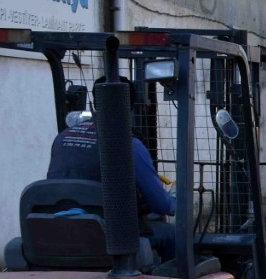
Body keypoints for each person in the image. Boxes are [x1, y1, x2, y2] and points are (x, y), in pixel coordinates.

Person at [47, 90, 176, 259]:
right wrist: (176, 200)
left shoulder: (62, 137)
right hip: (108, 236)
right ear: (129, 107)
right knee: (173, 234)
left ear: (95, 102)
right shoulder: (129, 144)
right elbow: (161, 205)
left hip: (61, 230)